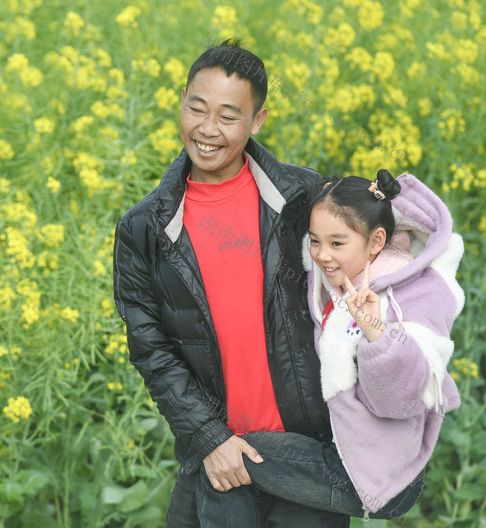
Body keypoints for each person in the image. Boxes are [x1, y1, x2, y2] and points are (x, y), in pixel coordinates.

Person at [113, 39, 343, 525]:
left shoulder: (302, 197)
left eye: (228, 116)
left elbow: (370, 267)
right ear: (181, 101)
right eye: (196, 109)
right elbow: (150, 349)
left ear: (257, 121)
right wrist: (210, 437)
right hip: (217, 461)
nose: (207, 130)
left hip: (304, 457)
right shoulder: (144, 229)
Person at [193, 169, 463, 523]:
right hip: (342, 453)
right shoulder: (335, 277)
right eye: (315, 241)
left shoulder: (412, 295)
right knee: (229, 464)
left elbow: (401, 400)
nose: (322, 255)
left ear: (377, 241)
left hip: (377, 476)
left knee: (227, 460)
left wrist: (374, 331)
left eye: (337, 243)